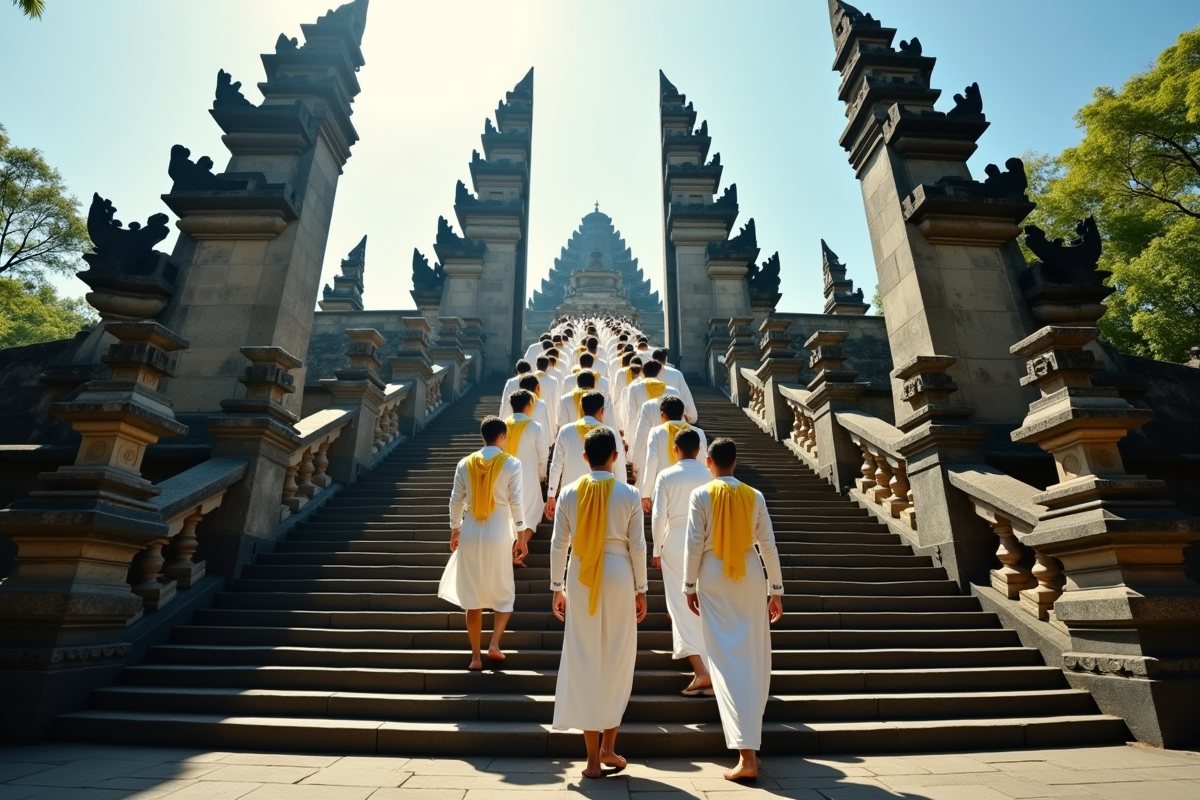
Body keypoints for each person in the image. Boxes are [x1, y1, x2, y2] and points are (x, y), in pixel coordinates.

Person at [683, 438, 784, 782]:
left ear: (708, 461)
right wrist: (776, 590)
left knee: (724, 660)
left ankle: (746, 754)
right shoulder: (754, 495)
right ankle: (749, 747)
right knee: (754, 657)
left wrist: (687, 585)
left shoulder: (701, 494)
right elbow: (767, 545)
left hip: (713, 574)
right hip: (750, 573)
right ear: (736, 462)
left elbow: (694, 542)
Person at [550, 426, 647, 778]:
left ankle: (592, 759)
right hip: (620, 571)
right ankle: (609, 745)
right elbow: (638, 545)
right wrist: (642, 588)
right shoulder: (630, 493)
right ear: (617, 456)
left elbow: (559, 544)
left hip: (580, 574)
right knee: (618, 658)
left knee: (584, 657)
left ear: (585, 457)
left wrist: (556, 585)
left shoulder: (569, 494)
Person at [439, 416, 526, 670]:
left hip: (471, 527)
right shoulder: (511, 463)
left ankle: (475, 656)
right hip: (499, 528)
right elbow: (516, 501)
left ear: (483, 436)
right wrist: (521, 535)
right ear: (503, 436)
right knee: (504, 589)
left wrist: (455, 529)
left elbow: (456, 500)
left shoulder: (465, 463)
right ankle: (495, 643)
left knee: (472, 594)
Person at [649, 428, 714, 697]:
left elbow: (657, 515)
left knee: (679, 605)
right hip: (708, 541)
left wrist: (655, 547)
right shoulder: (710, 473)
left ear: (675, 449)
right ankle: (712, 669)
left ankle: (701, 671)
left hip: (676, 539)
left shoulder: (666, 475)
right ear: (699, 450)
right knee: (707, 604)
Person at [546, 391, 626, 517]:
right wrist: (623, 495)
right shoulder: (610, 433)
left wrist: (551, 494)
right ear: (602, 410)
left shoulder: (565, 431)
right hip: (602, 494)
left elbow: (556, 465)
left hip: (571, 494)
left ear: (582, 408)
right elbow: (619, 467)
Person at [504, 390, 549, 569]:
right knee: (531, 513)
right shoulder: (535, 426)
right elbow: (543, 454)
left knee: (509, 513)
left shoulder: (502, 426)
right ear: (529, 406)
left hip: (505, 475)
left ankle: (510, 548)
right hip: (528, 475)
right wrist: (542, 473)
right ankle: (519, 548)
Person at [639, 395, 708, 503]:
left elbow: (651, 462)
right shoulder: (698, 432)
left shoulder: (656, 432)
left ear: (662, 414)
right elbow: (704, 462)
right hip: (694, 489)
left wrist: (646, 494)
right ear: (682, 415)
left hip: (665, 489)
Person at [628, 361, 679, 479]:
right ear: (659, 372)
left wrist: (632, 456)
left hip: (644, 444)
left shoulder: (635, 389)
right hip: (671, 444)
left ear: (642, 372)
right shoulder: (673, 392)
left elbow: (631, 419)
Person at [653, 348, 697, 423]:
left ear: (653, 358)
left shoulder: (647, 374)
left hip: (654, 415)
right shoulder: (677, 374)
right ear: (665, 359)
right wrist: (691, 416)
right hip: (675, 416)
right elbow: (685, 395)